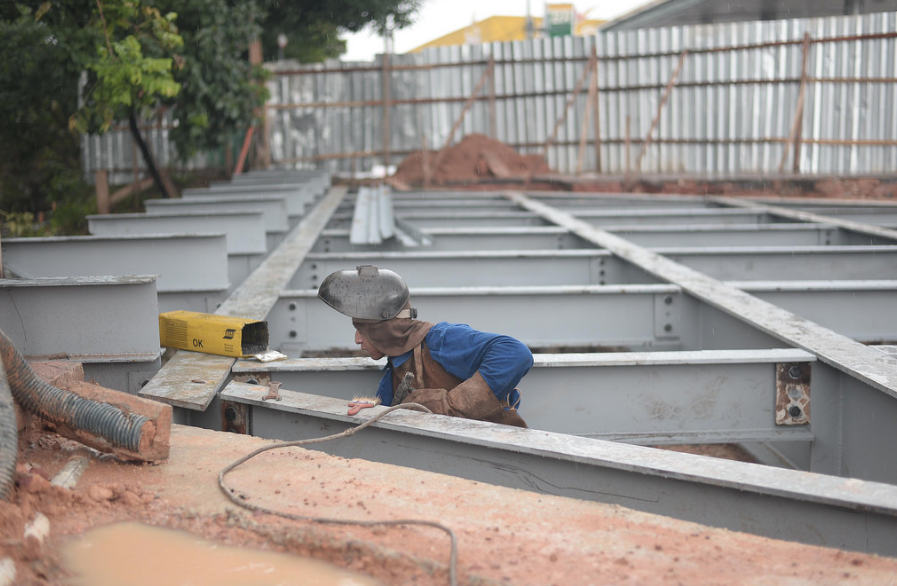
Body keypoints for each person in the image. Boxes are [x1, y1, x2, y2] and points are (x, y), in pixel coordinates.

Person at [317, 265, 532, 428]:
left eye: (361, 329)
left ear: (382, 330)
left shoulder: (440, 339)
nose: (357, 340)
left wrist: (452, 404)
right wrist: (370, 410)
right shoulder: (395, 372)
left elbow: (516, 354)